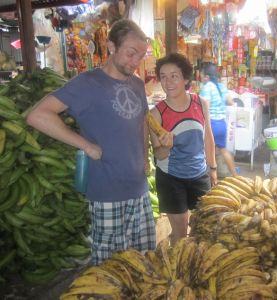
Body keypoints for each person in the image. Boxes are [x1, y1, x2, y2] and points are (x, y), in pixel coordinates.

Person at [26, 20, 155, 265]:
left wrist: (146, 152)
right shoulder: (87, 84)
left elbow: (142, 120)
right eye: (130, 53)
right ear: (111, 46)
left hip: (139, 191)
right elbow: (38, 115)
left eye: (140, 55)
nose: (135, 61)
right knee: (110, 271)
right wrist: (84, 145)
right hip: (107, 193)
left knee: (145, 263)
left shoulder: (138, 84)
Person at [149, 53, 217, 246]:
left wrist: (212, 169)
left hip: (199, 174)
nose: (168, 81)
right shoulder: (156, 114)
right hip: (171, 178)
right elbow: (159, 155)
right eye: (163, 76)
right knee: (180, 235)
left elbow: (208, 137)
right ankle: (179, 270)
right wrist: (166, 146)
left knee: (203, 230)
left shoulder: (200, 103)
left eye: (174, 76)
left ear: (186, 78)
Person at [199, 63, 237, 176]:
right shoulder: (221, 87)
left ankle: (207, 178)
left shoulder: (206, 88)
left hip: (212, 124)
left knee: (207, 152)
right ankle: (235, 176)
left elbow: (206, 104)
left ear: (206, 76)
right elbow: (230, 101)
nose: (200, 77)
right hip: (221, 124)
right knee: (223, 150)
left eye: (201, 75)